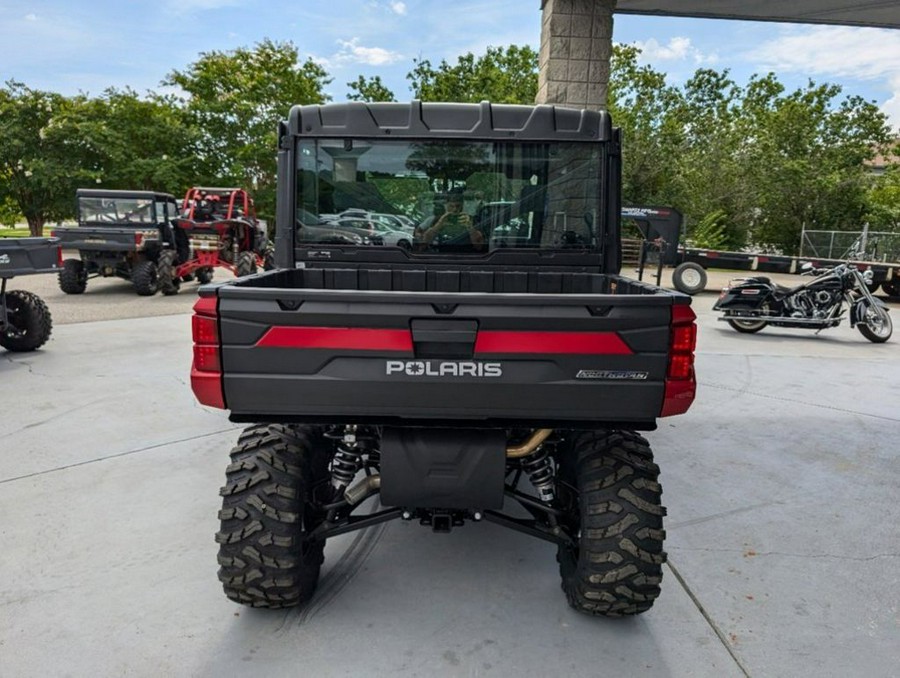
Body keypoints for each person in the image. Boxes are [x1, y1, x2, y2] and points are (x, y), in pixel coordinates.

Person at [416, 190, 484, 248]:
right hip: (437, 257)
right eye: (451, 206)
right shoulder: (434, 219)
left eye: (458, 206)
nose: (455, 209)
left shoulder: (470, 220)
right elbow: (423, 243)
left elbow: (479, 246)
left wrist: (470, 227)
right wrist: (438, 225)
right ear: (446, 205)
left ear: (462, 205)